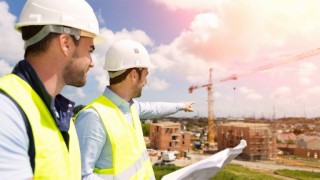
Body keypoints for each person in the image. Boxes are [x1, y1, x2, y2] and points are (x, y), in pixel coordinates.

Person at [0, 0, 105, 179]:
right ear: (65, 43)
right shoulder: (6, 111)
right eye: (89, 50)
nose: (92, 62)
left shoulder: (62, 114)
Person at [75, 39, 194, 179]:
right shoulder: (93, 117)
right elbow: (80, 176)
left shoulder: (131, 108)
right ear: (134, 75)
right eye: (146, 75)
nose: (146, 82)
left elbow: (155, 108)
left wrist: (181, 106)